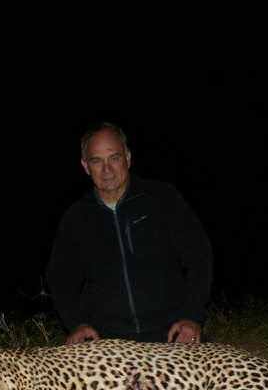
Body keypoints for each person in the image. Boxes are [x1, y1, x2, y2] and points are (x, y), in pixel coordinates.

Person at [47, 122, 213, 345]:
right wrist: (76, 324)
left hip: (171, 334)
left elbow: (200, 257)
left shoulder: (163, 198)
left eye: (114, 158)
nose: (107, 170)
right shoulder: (76, 217)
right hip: (107, 343)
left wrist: (192, 316)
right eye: (97, 161)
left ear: (128, 157)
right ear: (85, 166)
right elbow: (60, 279)